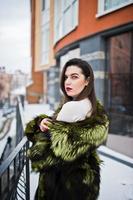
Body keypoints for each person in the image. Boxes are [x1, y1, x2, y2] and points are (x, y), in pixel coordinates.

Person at [25, 58, 109, 200]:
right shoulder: (91, 105)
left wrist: (37, 126)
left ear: (87, 80)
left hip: (61, 184)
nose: (67, 82)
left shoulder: (72, 107)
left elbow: (42, 153)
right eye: (66, 77)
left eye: (74, 77)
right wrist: (45, 122)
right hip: (84, 180)